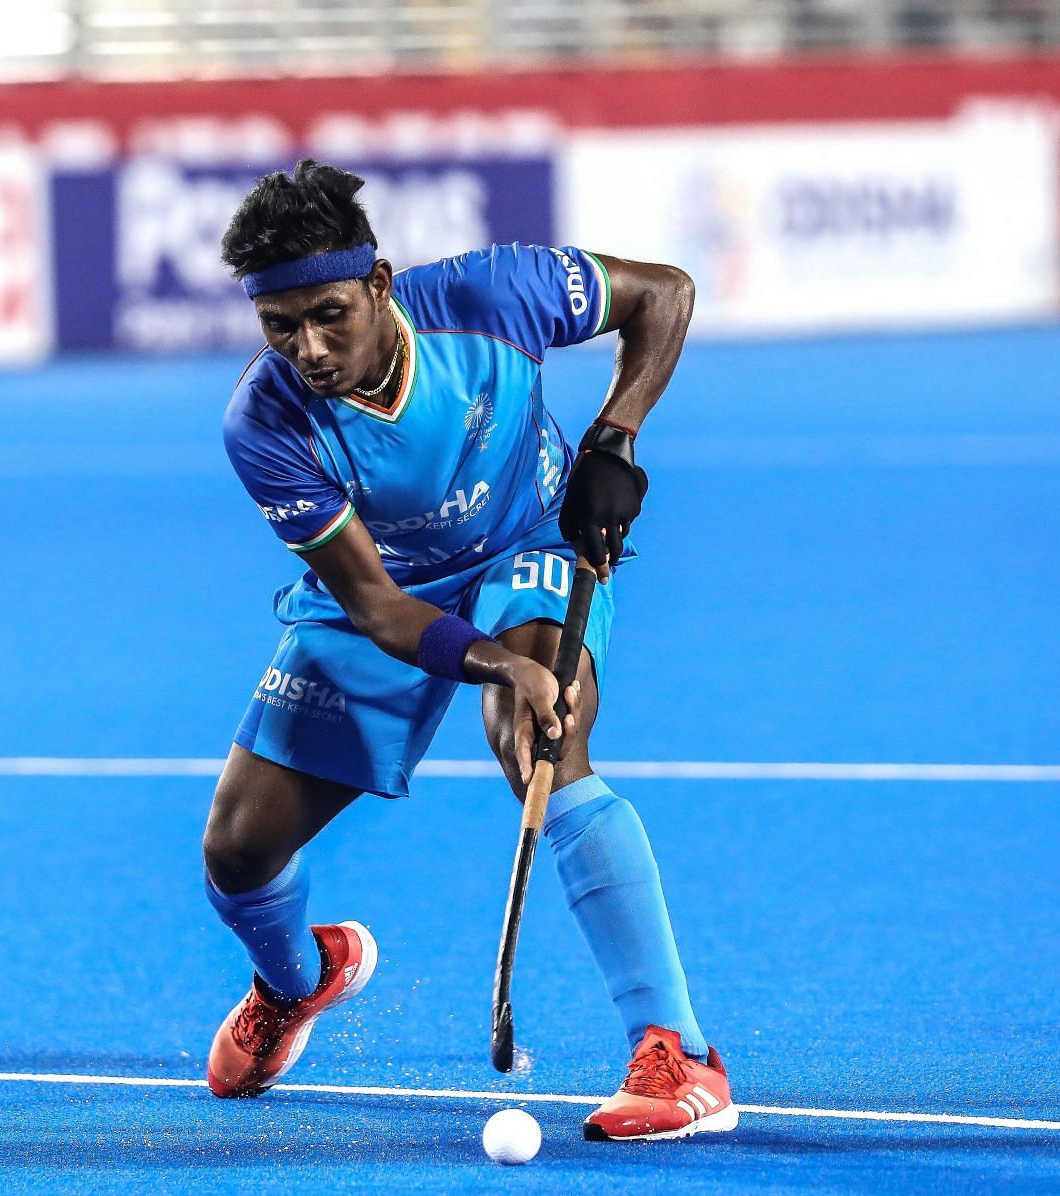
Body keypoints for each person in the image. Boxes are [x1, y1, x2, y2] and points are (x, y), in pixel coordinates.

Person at [205, 160, 735, 1143]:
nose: (308, 349)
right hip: (382, 591)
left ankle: (679, 1052)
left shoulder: (495, 293)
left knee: (540, 743)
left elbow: (664, 294)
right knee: (236, 849)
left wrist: (613, 439)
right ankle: (299, 978)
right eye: (280, 326)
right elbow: (371, 602)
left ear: (379, 283)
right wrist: (496, 659)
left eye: (328, 315)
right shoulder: (265, 420)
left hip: (525, 543)